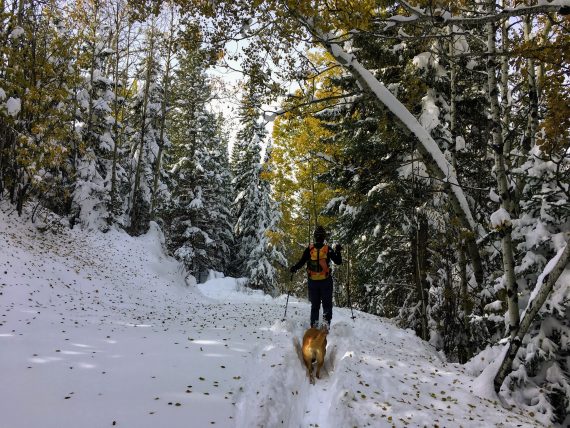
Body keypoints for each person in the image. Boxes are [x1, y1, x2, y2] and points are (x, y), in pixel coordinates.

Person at [290, 225, 342, 329]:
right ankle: (326, 325)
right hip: (326, 282)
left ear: (314, 236)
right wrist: (338, 251)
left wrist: (294, 268)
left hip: (313, 282)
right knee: (327, 305)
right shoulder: (328, 249)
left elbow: (301, 262)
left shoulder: (309, 249)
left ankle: (314, 326)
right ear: (324, 237)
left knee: (315, 306)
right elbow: (338, 262)